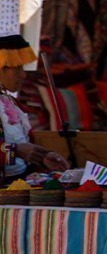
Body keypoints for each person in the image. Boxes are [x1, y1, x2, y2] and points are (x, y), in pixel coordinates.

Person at [0, 34, 69, 181]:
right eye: (17, 68)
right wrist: (15, 151)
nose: (23, 75)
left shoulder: (11, 103)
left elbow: (24, 146)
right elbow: (18, 149)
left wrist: (42, 158)